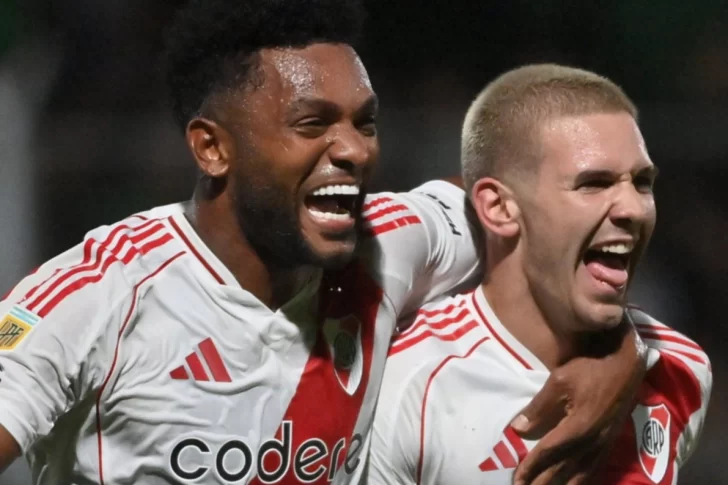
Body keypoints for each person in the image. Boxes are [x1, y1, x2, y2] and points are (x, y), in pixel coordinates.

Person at [0, 2, 649, 483]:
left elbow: (535, 210)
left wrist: (612, 348)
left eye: (365, 123)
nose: (354, 150)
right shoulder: (99, 294)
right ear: (213, 147)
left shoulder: (388, 244)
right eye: (312, 124)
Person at [367, 64, 712, 485]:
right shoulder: (411, 387)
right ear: (499, 208)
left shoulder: (682, 367)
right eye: (593, 183)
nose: (634, 209)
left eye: (642, 182)